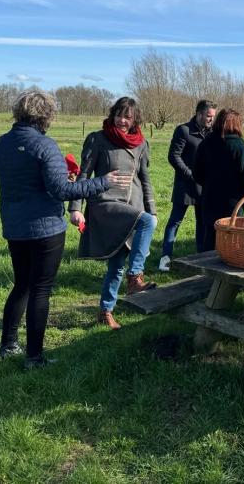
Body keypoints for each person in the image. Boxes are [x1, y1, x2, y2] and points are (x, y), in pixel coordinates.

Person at [0, 90, 131, 368]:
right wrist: (102, 182)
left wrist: (58, 176)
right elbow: (62, 190)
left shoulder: (1, 143)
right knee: (40, 289)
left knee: (21, 284)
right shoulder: (45, 146)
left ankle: (8, 344)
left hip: (15, 225)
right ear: (45, 116)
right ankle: (34, 356)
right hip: (45, 228)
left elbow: (28, 180)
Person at [69, 97, 157, 330]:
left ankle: (105, 311)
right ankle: (135, 277)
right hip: (106, 205)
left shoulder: (141, 144)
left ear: (135, 119)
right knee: (146, 222)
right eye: (119, 114)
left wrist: (152, 208)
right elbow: (83, 176)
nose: (122, 120)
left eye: (127, 116)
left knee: (116, 264)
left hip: (133, 206)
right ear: (112, 115)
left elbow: (145, 179)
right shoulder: (98, 139)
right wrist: (76, 209)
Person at [159, 100, 216, 270]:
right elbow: (174, 156)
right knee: (175, 221)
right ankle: (165, 258)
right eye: (208, 116)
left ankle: (200, 258)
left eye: (213, 117)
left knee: (202, 222)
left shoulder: (211, 133)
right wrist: (190, 174)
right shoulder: (183, 130)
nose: (211, 120)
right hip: (185, 185)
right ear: (199, 114)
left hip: (203, 187)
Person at [192, 108, 244, 251]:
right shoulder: (238, 146)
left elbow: (196, 173)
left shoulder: (206, 143)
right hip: (233, 202)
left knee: (210, 236)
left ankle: (206, 268)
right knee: (232, 240)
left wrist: (209, 184)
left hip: (210, 198)